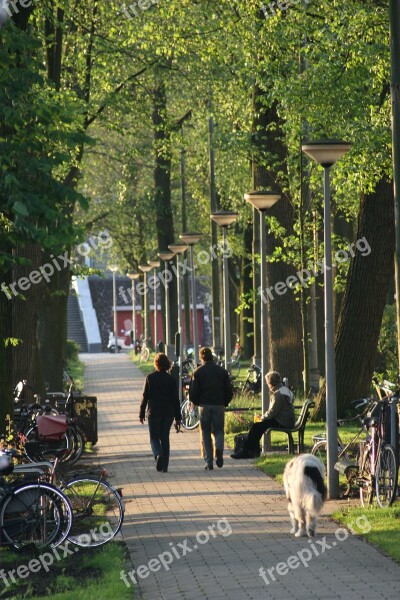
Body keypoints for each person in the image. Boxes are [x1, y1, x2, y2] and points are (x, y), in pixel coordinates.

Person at [231, 370, 295, 459]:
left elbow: (273, 412)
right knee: (258, 427)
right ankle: (251, 451)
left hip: (282, 421)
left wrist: (262, 417)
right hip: (287, 419)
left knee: (257, 427)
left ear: (270, 383)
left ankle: (248, 451)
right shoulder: (285, 390)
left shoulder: (278, 394)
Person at [189, 347, 233, 471]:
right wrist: (225, 402)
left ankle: (209, 461)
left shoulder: (198, 372)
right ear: (212, 356)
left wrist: (198, 403)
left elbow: (193, 392)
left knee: (205, 433)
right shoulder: (222, 372)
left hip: (204, 406)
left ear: (201, 357)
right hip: (219, 405)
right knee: (219, 430)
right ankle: (219, 449)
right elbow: (229, 391)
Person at [139, 353, 181, 473]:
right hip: (168, 414)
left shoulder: (150, 378)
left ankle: (158, 455)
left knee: (154, 438)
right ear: (167, 365)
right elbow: (175, 400)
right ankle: (165, 467)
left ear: (156, 364)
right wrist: (178, 418)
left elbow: (145, 397)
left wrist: (141, 413)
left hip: (154, 412)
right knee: (165, 438)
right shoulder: (171, 380)